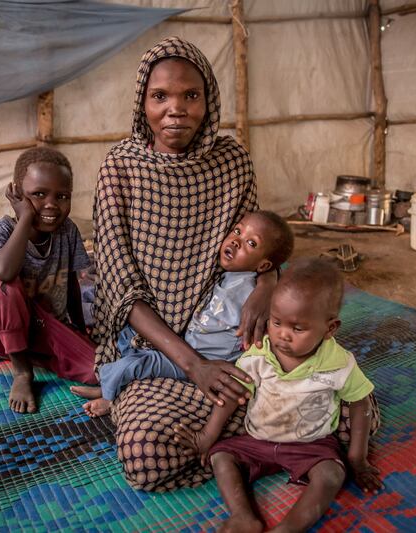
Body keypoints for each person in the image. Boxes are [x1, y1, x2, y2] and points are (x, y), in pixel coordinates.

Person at [91, 36, 279, 491]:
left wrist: (268, 285)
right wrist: (194, 366)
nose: (176, 109)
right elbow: (121, 285)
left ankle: (228, 436)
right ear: (143, 102)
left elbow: (256, 246)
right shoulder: (121, 167)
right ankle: (261, 439)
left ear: (208, 99)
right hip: (151, 344)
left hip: (228, 332)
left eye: (190, 95)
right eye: (160, 96)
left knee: (332, 388)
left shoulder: (231, 162)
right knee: (145, 456)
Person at [174, 258, 382, 532]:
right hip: (256, 439)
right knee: (221, 457)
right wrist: (207, 436)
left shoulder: (339, 363)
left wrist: (358, 457)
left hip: (312, 444)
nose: (283, 335)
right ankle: (242, 517)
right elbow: (234, 392)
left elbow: (360, 402)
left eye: (297, 328)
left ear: (330, 328)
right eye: (276, 322)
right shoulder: (259, 354)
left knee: (332, 473)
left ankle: (288, 528)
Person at [72, 210, 294, 417]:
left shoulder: (252, 294)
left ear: (264, 266)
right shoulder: (229, 273)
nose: (236, 240)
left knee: (135, 365)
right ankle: (111, 383)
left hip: (205, 359)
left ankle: (109, 398)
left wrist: (270, 286)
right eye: (237, 231)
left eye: (251, 243)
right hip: (188, 346)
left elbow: (274, 315)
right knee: (131, 340)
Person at [0, 147, 97, 414]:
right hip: (4, 331)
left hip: (47, 326)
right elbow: (4, 271)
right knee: (3, 284)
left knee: (97, 370)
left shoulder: (68, 231)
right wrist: (25, 218)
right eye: (39, 194)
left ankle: (33, 354)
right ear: (18, 195)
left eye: (62, 196)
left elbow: (72, 285)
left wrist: (79, 330)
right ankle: (22, 371)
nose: (52, 204)